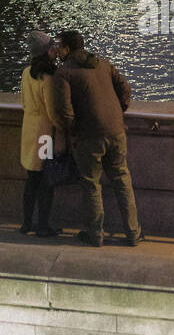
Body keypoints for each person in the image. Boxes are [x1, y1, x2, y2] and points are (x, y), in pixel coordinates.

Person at [53, 30, 143, 247]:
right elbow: (125, 88)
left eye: (59, 46)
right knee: (122, 180)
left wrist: (75, 131)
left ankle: (95, 234)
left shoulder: (64, 74)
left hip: (89, 136)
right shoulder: (103, 64)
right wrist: (118, 111)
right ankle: (133, 233)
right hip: (116, 131)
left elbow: (64, 112)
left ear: (67, 49)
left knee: (91, 184)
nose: (57, 49)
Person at [19, 31, 62, 237]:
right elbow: (52, 109)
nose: (55, 50)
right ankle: (43, 225)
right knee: (46, 181)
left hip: (29, 129)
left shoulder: (27, 72)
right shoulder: (48, 76)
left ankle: (26, 223)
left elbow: (25, 102)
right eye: (52, 47)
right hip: (44, 133)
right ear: (46, 52)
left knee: (31, 180)